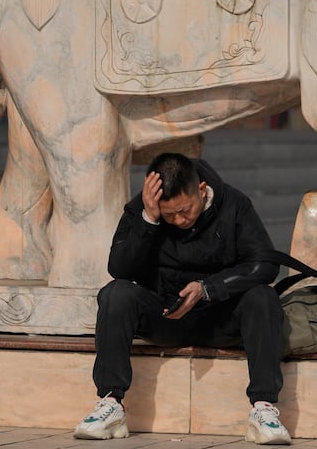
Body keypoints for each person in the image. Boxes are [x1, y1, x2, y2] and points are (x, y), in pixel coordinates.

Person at [75, 153, 291, 444]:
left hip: (219, 316)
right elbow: (119, 269)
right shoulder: (144, 209)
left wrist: (208, 288)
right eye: (169, 215)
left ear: (201, 190)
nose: (179, 220)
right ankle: (111, 405)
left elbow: (264, 264)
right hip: (164, 315)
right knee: (115, 294)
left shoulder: (234, 204)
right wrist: (149, 220)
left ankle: (264, 408)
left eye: (185, 210)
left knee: (262, 296)